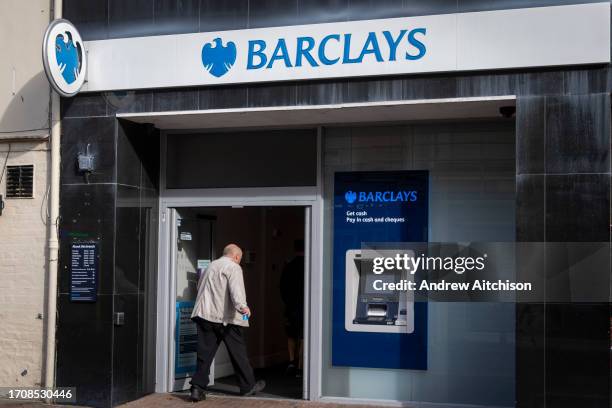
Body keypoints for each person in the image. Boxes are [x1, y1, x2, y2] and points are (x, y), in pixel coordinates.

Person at [189, 243, 265, 401]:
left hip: (203, 315)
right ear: (236, 256)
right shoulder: (233, 267)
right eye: (240, 259)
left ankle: (197, 388)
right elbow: (236, 291)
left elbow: (200, 287)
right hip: (225, 318)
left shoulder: (210, 266)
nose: (239, 261)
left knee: (204, 354)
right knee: (238, 353)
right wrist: (243, 308)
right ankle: (247, 386)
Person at [279, 239, 305, 377]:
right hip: (305, 306)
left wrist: (288, 301)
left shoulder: (288, 266)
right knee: (303, 336)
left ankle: (291, 362)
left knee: (290, 335)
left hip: (291, 306)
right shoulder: (309, 265)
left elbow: (282, 287)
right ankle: (300, 367)